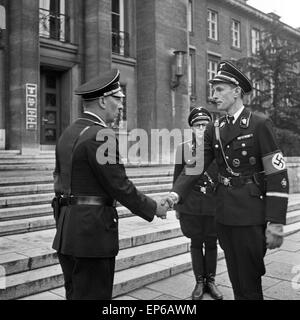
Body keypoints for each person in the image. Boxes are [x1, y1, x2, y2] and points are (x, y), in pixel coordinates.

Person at [164, 60, 289, 300]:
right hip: (223, 214)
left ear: (236, 92)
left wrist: (275, 221)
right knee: (235, 276)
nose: (214, 96)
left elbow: (277, 174)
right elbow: (196, 165)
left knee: (250, 281)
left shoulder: (259, 124)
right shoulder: (215, 128)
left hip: (250, 214)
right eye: (213, 90)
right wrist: (175, 195)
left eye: (219, 89)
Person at [52, 69, 168, 300]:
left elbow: (58, 181)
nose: (121, 106)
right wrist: (154, 207)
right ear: (104, 101)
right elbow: (119, 185)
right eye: (119, 99)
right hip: (92, 236)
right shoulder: (101, 135)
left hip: (68, 232)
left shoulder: (68, 132)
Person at [173, 107, 223, 300]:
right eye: (197, 125)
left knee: (211, 243)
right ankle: (199, 282)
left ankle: (211, 281)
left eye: (205, 125)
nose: (201, 128)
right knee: (195, 243)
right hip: (191, 205)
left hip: (213, 204)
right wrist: (177, 206)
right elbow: (178, 179)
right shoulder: (183, 149)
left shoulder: (218, 149)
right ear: (191, 128)